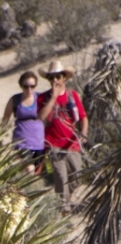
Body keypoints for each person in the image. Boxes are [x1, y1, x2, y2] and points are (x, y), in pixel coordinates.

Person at [37, 60, 88, 213]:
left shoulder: (72, 96)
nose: (55, 80)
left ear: (64, 77)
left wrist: (84, 133)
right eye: (51, 77)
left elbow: (83, 117)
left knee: (76, 177)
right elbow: (41, 117)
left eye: (58, 76)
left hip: (72, 143)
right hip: (53, 144)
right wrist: (53, 98)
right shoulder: (43, 98)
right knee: (60, 177)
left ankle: (65, 200)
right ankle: (63, 209)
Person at [2, 70, 44, 173]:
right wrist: (1, 138)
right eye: (26, 86)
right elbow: (5, 119)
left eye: (32, 86)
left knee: (35, 173)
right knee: (29, 169)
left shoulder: (40, 98)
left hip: (39, 143)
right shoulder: (15, 100)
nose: (29, 89)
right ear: (21, 86)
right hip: (22, 143)